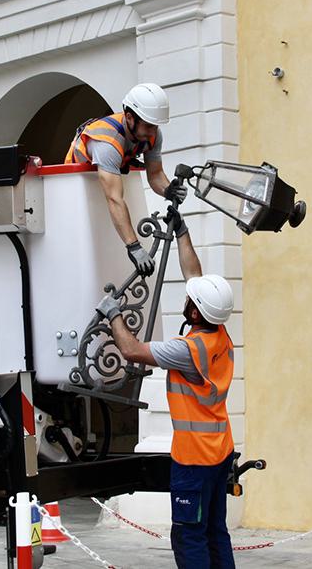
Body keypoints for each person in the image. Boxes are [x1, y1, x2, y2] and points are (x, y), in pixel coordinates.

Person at [96, 213, 236, 569]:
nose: (186, 300)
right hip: (220, 453)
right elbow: (195, 276)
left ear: (196, 310)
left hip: (194, 459)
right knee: (215, 531)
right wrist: (183, 232)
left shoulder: (187, 350)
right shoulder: (219, 335)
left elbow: (131, 350)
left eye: (190, 300)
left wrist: (113, 313)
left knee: (189, 535)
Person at [65, 83, 186, 277]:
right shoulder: (107, 142)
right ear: (129, 117)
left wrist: (168, 190)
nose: (152, 132)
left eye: (155, 126)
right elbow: (114, 199)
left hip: (108, 186)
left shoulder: (152, 134)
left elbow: (155, 175)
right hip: (76, 189)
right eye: (148, 126)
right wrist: (134, 247)